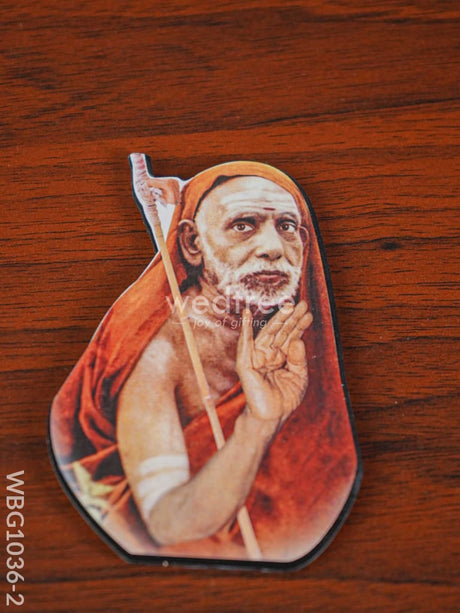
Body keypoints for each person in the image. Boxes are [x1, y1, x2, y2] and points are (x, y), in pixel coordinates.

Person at [50, 161, 359, 564]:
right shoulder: (160, 357)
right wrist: (258, 425)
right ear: (192, 243)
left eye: (286, 226)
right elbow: (169, 523)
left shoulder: (292, 325)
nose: (273, 247)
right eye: (243, 225)